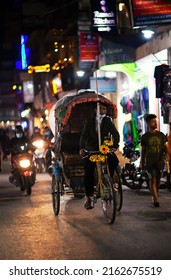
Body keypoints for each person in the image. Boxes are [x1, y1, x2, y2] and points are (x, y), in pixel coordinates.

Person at [79, 102, 120, 210]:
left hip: (104, 147)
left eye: (104, 109)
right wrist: (82, 148)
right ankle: (88, 197)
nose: (102, 110)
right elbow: (84, 136)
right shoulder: (89, 121)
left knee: (114, 160)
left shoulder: (108, 121)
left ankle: (109, 180)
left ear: (106, 111)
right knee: (88, 171)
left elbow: (115, 134)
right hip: (91, 149)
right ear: (95, 110)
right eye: (100, 108)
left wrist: (115, 146)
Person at [140, 114, 168, 207]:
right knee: (153, 180)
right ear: (148, 123)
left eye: (156, 121)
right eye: (153, 121)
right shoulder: (145, 137)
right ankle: (156, 199)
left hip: (160, 162)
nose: (155, 123)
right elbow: (143, 151)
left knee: (158, 180)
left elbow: (165, 147)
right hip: (150, 162)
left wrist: (167, 156)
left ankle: (155, 195)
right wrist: (142, 162)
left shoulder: (161, 135)